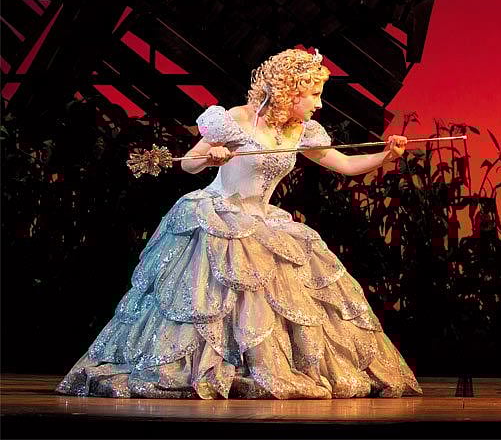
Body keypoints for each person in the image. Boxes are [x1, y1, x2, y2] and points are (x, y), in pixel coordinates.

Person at [57, 48, 422, 399]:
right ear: (290, 91)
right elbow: (190, 164)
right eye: (313, 95)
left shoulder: (301, 130)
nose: (319, 104)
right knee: (206, 303)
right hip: (218, 216)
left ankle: (255, 367)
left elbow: (344, 164)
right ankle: (202, 367)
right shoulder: (236, 119)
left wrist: (386, 154)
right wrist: (212, 157)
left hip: (263, 220)